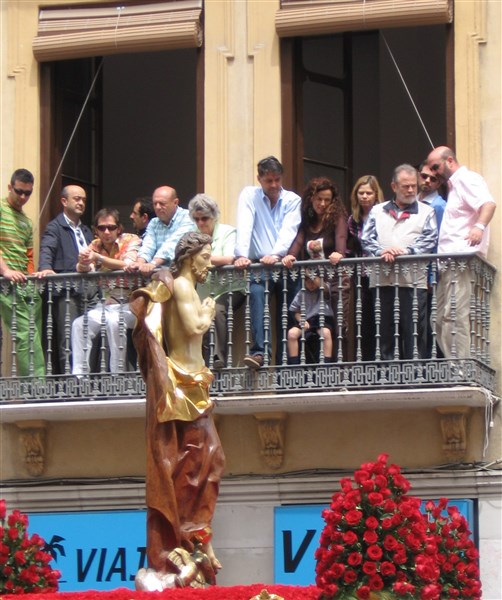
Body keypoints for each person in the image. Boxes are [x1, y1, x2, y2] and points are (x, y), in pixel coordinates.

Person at [130, 231, 225, 589]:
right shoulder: (184, 287)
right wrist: (209, 310)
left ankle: (195, 536)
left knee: (203, 461)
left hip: (195, 385)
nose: (209, 263)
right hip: (184, 389)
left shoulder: (188, 288)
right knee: (201, 460)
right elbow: (195, 326)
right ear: (189, 257)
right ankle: (184, 538)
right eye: (205, 256)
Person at [361, 164, 438, 360]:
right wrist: (381, 251)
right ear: (394, 186)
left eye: (414, 186)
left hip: (413, 282)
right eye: (406, 186)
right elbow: (366, 238)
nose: (411, 190)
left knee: (414, 334)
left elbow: (430, 239)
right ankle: (387, 375)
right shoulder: (377, 211)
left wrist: (405, 252)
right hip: (382, 280)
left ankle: (415, 376)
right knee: (384, 335)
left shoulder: (427, 211)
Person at [427, 146, 496, 358]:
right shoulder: (453, 187)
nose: (433, 173)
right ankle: (456, 365)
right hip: (448, 262)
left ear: (449, 161)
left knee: (454, 316)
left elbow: (488, 204)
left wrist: (479, 227)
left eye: (435, 167)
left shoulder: (467, 179)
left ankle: (461, 369)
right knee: (438, 319)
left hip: (461, 259)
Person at [234, 156, 301, 368]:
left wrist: (276, 254)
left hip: (284, 264)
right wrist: (241, 254)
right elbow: (245, 223)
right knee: (256, 294)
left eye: (277, 180)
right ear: (259, 179)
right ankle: (260, 353)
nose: (273, 185)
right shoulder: (249, 195)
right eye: (268, 180)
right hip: (260, 264)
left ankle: (286, 364)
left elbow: (289, 230)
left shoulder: (292, 200)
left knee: (289, 312)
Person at [282, 176, 348, 359]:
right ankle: (312, 368)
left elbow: (341, 241)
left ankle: (337, 369)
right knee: (310, 327)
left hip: (335, 281)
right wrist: (290, 255)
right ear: (311, 198)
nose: (323, 204)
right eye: (319, 199)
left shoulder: (337, 218)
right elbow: (298, 241)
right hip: (312, 281)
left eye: (327, 200)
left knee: (337, 325)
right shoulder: (307, 221)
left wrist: (339, 253)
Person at [71, 209, 141, 375]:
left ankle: (117, 376)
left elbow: (127, 264)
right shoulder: (95, 245)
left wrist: (98, 258)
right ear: (96, 230)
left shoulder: (131, 239)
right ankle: (79, 377)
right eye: (102, 228)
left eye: (111, 227)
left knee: (114, 322)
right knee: (79, 325)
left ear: (119, 228)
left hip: (132, 304)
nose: (107, 232)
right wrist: (83, 262)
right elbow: (85, 268)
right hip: (108, 305)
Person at [36, 185, 94, 374]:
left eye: (83, 199)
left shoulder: (86, 231)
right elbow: (47, 249)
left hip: (88, 292)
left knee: (87, 337)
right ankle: (69, 384)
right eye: (77, 198)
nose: (81, 203)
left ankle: (87, 380)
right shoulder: (55, 227)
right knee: (67, 340)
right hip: (66, 292)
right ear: (64, 201)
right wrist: (45, 267)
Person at [188, 193, 245, 368]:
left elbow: (228, 258)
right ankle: (197, 363)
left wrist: (201, 259)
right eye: (196, 219)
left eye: (204, 218)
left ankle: (217, 359)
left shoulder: (227, 232)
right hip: (204, 291)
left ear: (214, 216)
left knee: (217, 310)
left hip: (231, 288)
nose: (200, 223)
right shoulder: (192, 236)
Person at [0, 168, 45, 377]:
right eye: (19, 191)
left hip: (23, 283)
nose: (23, 197)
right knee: (26, 333)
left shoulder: (27, 221)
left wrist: (32, 275)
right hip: (6, 284)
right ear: (10, 187)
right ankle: (37, 387)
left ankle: (35, 384)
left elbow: (28, 255)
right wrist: (5, 270)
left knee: (35, 331)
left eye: (28, 193)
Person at [346, 175, 384, 361]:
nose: (364, 196)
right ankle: (366, 362)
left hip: (380, 273)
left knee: (382, 319)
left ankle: (383, 362)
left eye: (369, 193)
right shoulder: (353, 220)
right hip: (361, 275)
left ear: (376, 195)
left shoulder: (383, 215)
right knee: (364, 320)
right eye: (361, 193)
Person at [126, 186, 193, 275]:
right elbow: (148, 245)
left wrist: (153, 263)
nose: (157, 207)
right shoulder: (154, 222)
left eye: (162, 203)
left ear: (175, 202)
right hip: (160, 275)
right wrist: (140, 263)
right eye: (155, 204)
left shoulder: (188, 217)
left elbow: (173, 244)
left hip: (183, 275)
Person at [287, 271, 335, 364]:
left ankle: (326, 365)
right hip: (308, 320)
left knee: (325, 333)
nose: (311, 285)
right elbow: (296, 311)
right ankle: (294, 365)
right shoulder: (301, 293)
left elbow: (323, 287)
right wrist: (302, 320)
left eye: (313, 282)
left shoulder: (324, 289)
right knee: (291, 333)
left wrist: (310, 274)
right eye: (308, 282)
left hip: (322, 319)